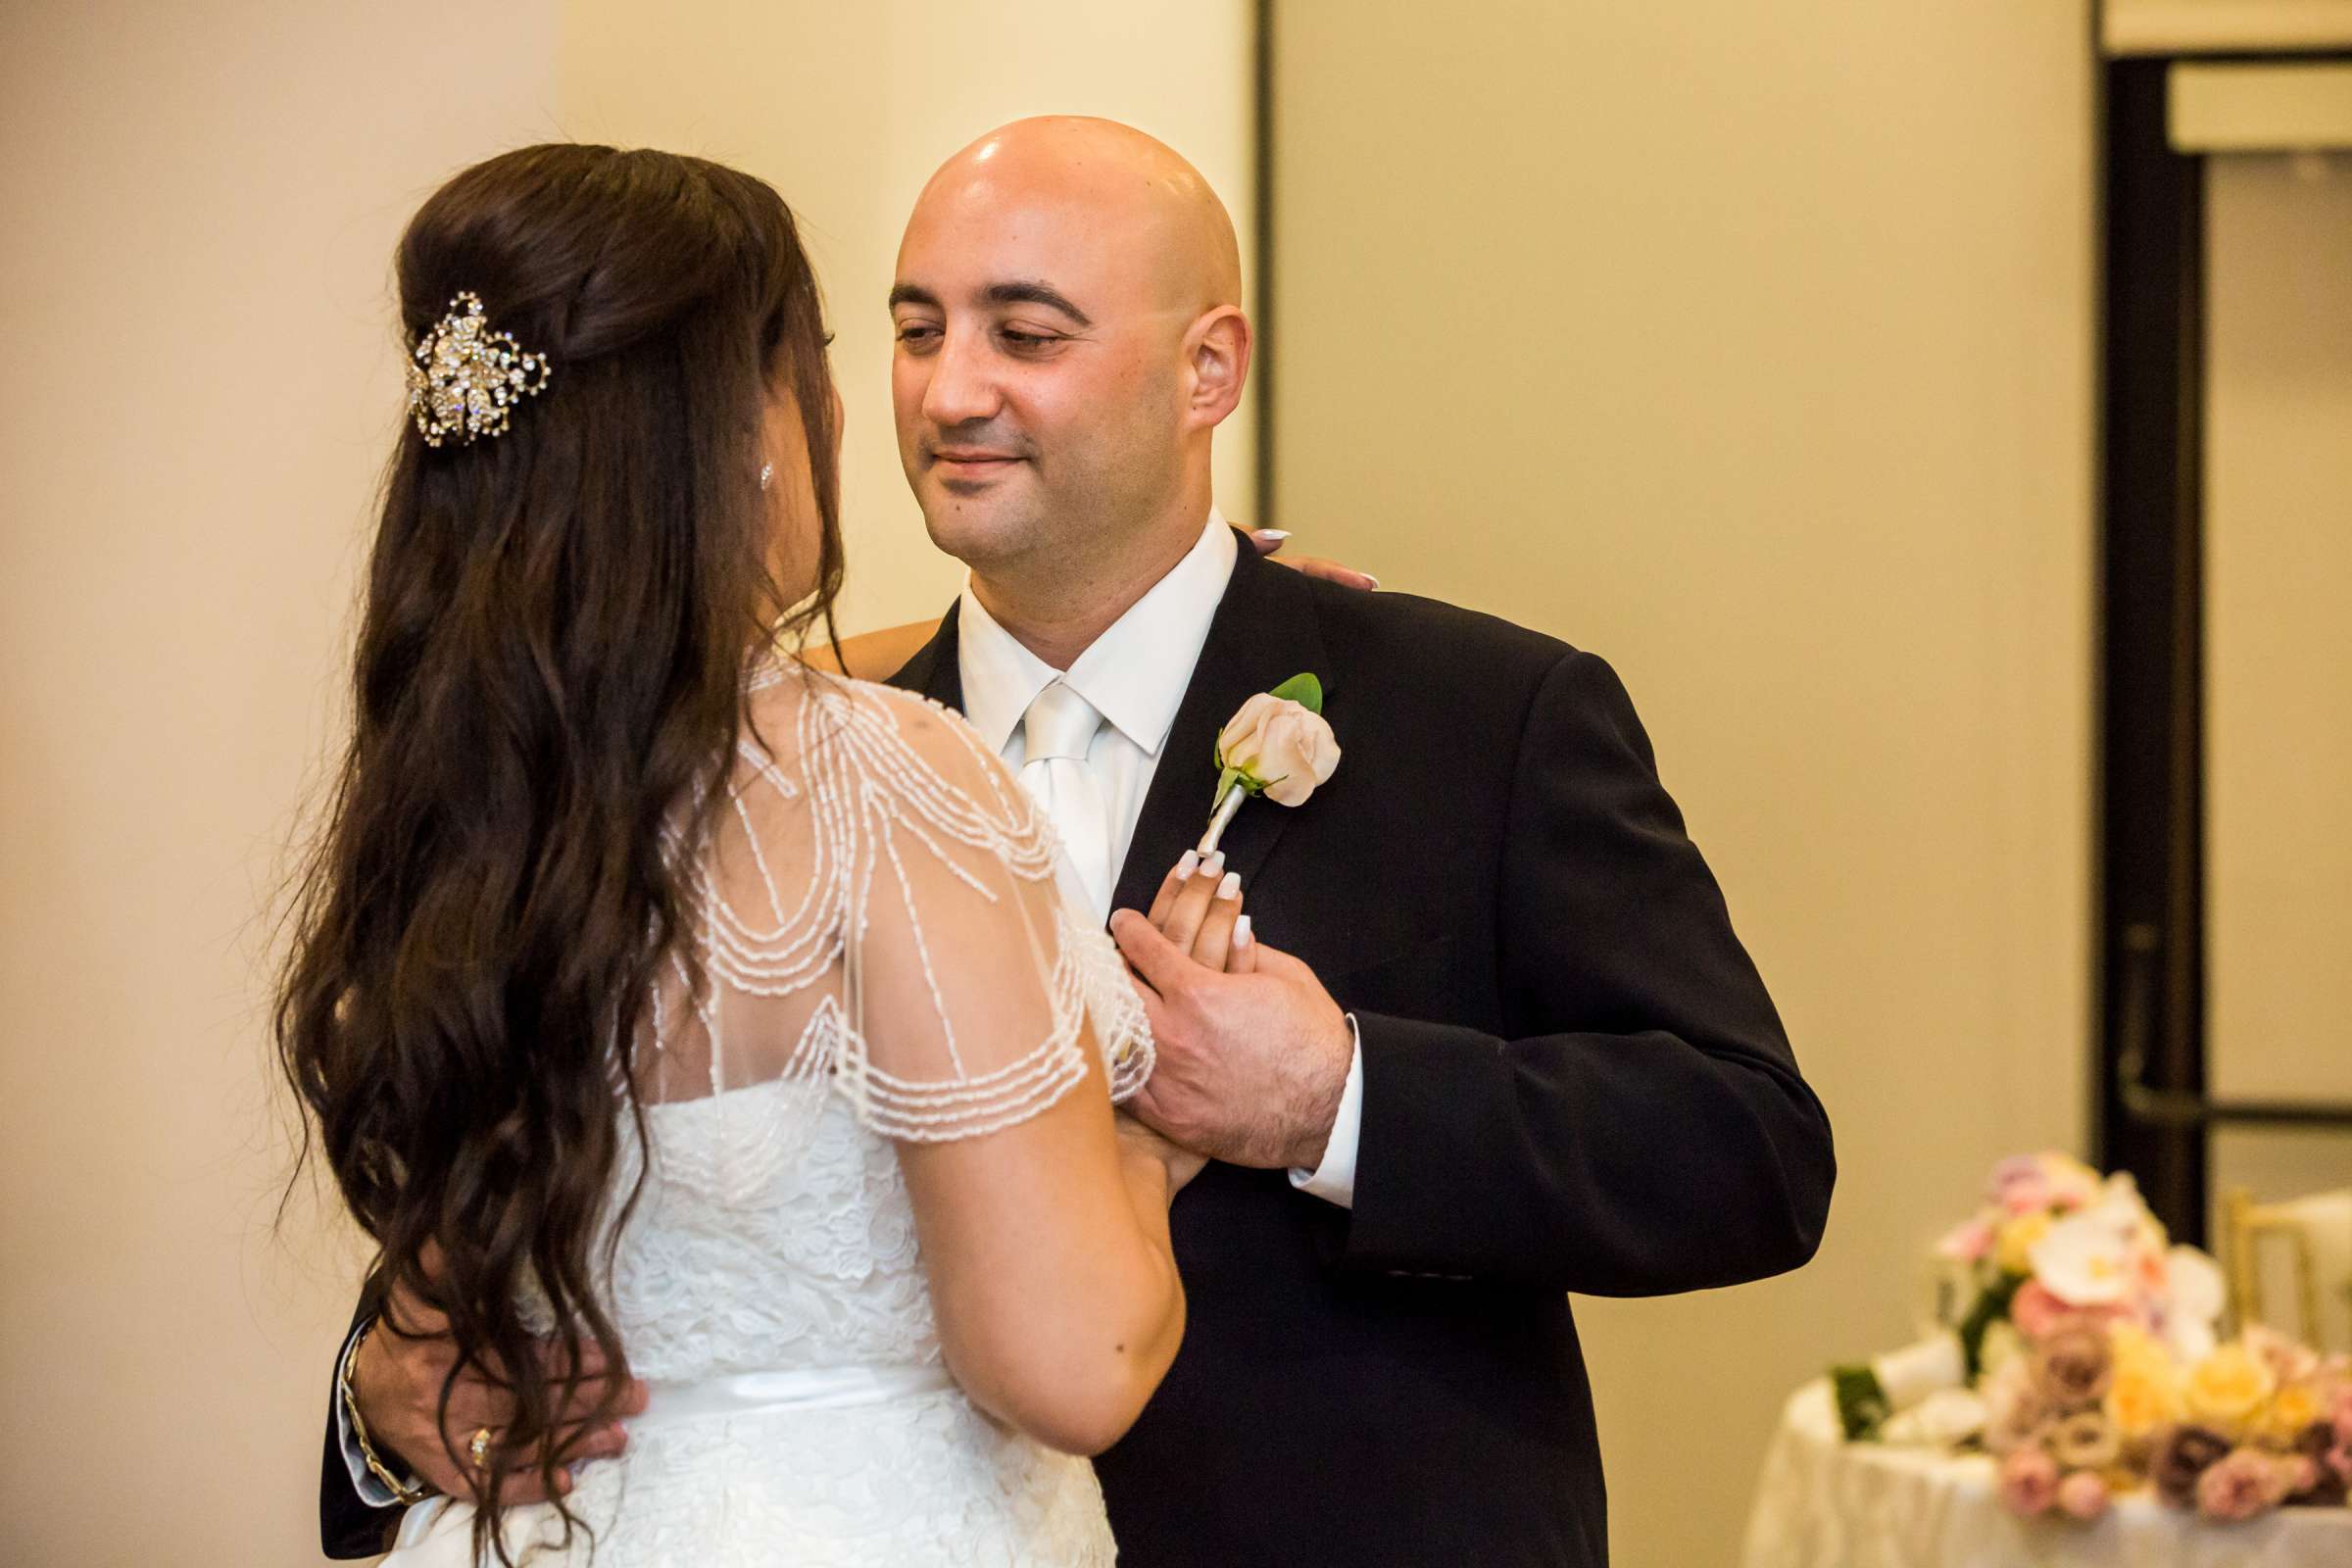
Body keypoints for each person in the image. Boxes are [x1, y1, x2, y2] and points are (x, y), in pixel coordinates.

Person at [327, 117, 1837, 1568]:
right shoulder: (756, 758)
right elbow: (560, 1190)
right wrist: (372, 1413)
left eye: (1026, 336)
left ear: (1209, 367)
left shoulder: (1478, 711)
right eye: (916, 332)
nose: (950, 393)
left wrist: (1341, 1100)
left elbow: (1750, 1150)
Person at [283, 140, 1237, 1566]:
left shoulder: (456, 796)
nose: (906, 396)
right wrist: (1147, 1161)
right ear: (749, 422)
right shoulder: (878, 780)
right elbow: (1071, 1363)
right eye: (873, 342)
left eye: (1022, 332)